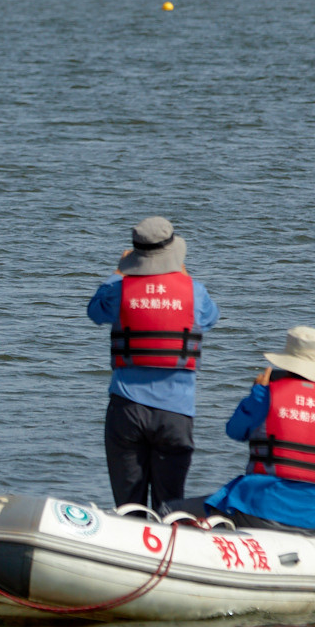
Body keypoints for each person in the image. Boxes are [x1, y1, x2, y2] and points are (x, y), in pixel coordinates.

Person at [85, 217, 222, 513]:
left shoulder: (120, 288)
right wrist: (183, 277)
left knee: (128, 506)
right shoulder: (195, 291)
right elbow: (210, 318)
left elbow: (94, 311)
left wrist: (117, 273)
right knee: (170, 505)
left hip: (126, 409)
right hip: (176, 413)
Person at [172, 327, 315, 532]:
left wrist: (257, 393)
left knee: (171, 509)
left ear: (287, 363)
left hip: (259, 509)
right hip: (314, 517)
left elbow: (235, 430)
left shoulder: (266, 395)